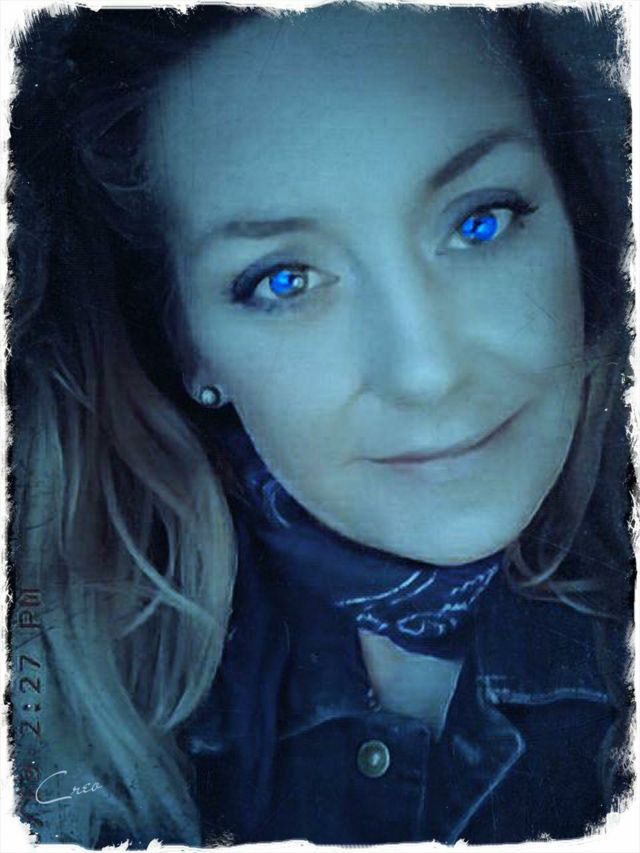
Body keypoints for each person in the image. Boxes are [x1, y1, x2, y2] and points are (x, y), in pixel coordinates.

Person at [8, 2, 633, 848]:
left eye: (478, 221)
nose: (426, 372)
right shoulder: (66, 698)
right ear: (190, 346)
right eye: (285, 280)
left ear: (575, 215)